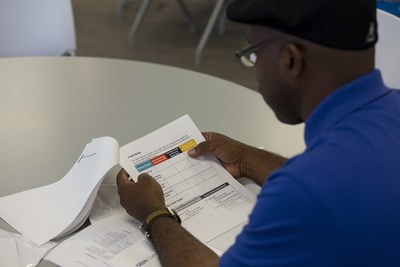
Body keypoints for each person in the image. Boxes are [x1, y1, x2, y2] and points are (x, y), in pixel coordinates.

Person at [117, 0, 400, 266]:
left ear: (291, 60)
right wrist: (248, 160)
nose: (255, 66)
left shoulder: (305, 191)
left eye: (255, 53)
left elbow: (318, 187)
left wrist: (153, 212)